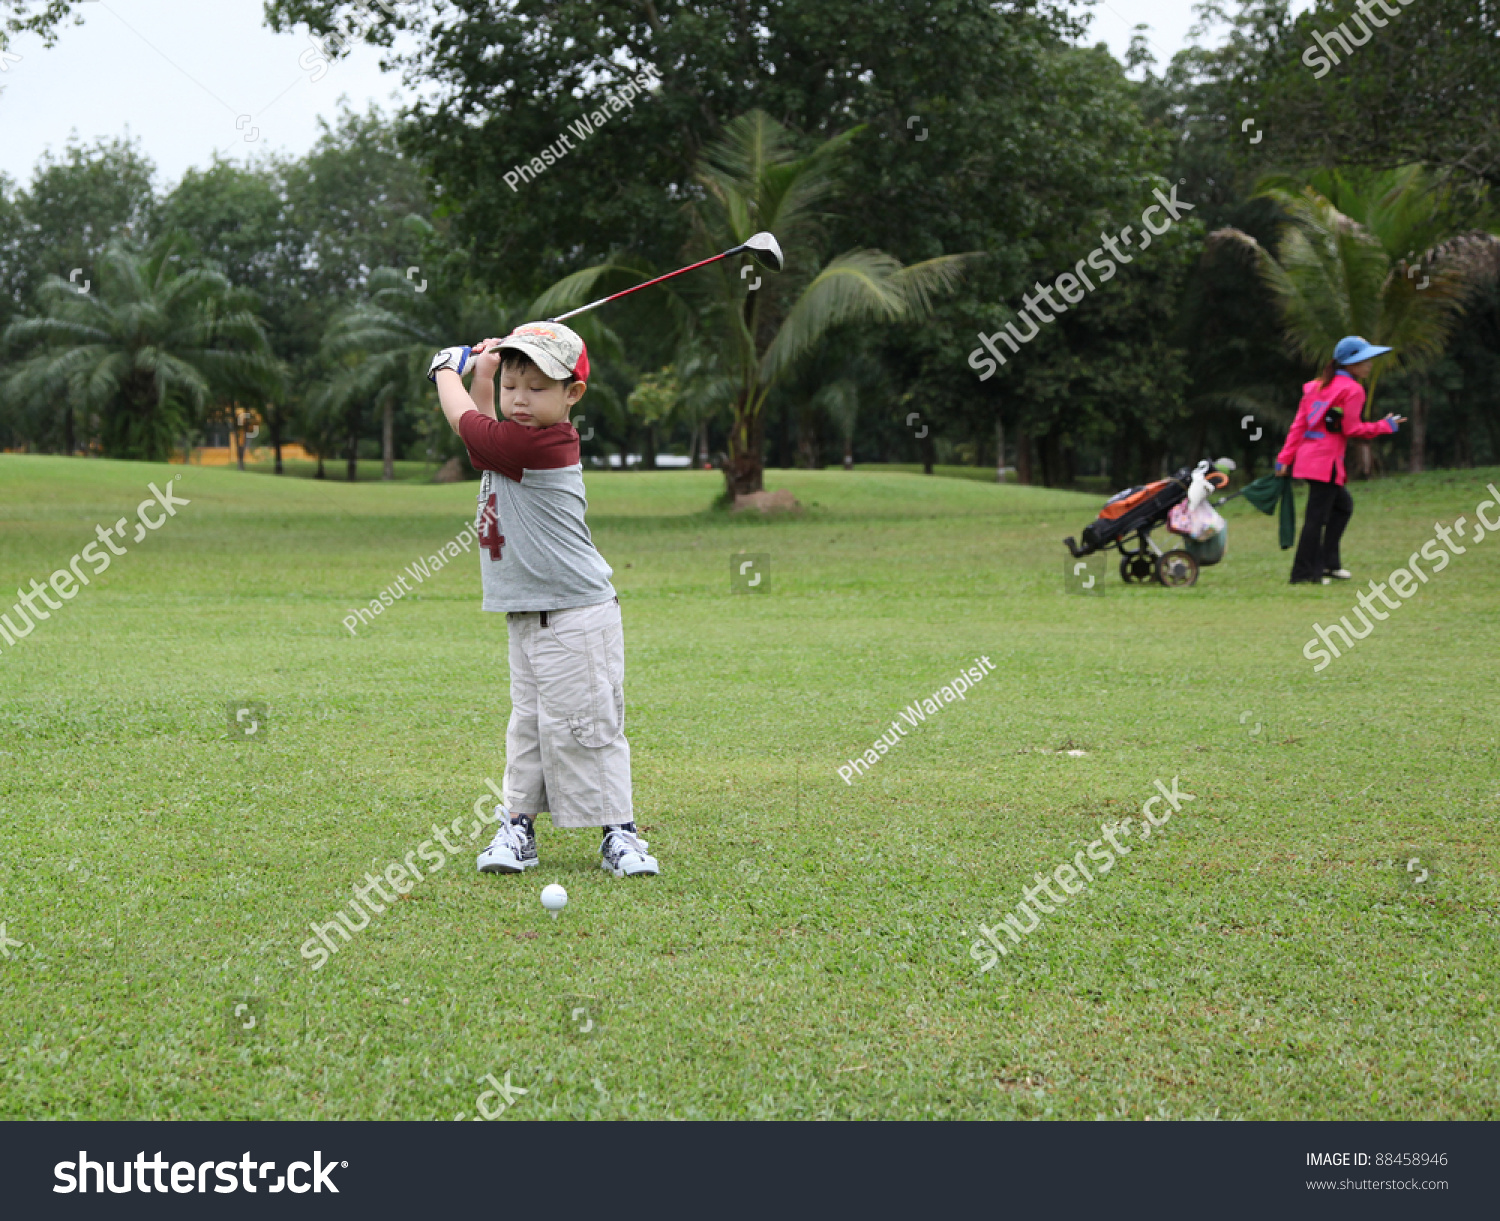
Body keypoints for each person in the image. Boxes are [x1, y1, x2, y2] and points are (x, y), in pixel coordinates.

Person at [426, 322, 659, 878]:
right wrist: (483, 371)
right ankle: (519, 828)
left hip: (576, 613)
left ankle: (620, 836)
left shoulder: (545, 444)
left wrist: (442, 369)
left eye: (537, 387)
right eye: (512, 385)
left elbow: (469, 424)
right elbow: (481, 428)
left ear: (572, 395)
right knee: (528, 725)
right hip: (529, 613)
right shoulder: (512, 444)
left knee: (590, 726)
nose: (520, 400)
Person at [1274, 335, 1406, 585]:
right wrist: (1385, 426)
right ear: (1351, 364)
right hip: (1326, 463)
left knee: (1342, 507)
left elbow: (1298, 425)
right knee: (1316, 518)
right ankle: (1304, 574)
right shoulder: (1352, 390)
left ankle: (1328, 565)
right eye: (1365, 360)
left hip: (1308, 459)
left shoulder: (1315, 386)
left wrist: (1285, 458)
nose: (1369, 364)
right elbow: (1352, 429)